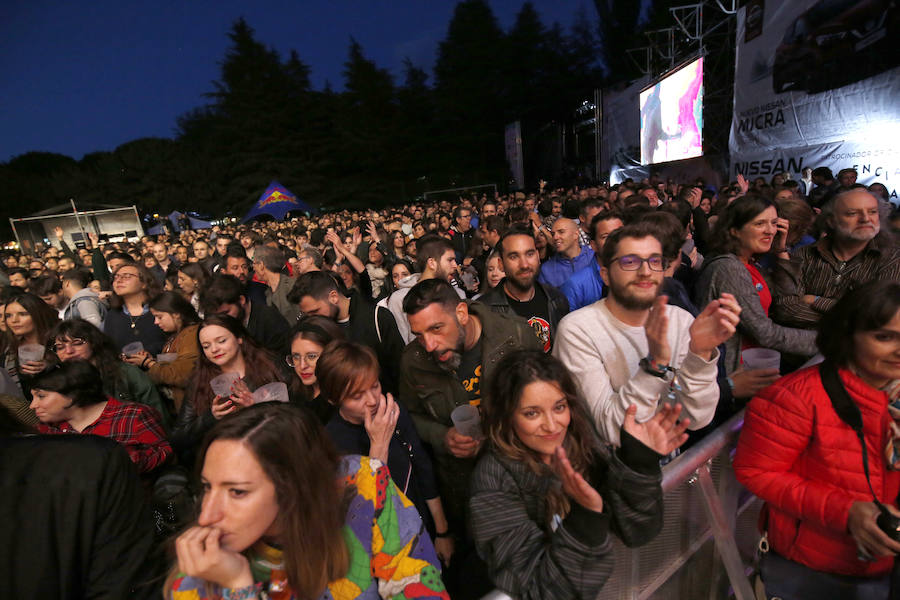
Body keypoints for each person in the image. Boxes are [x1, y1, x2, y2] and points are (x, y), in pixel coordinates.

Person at [166, 403, 449, 600]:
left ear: (292, 488)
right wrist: (238, 587)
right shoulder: (198, 570)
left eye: (237, 492)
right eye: (207, 486)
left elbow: (419, 585)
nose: (206, 516)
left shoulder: (363, 484)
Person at [471, 350, 689, 599]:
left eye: (559, 407)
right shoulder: (493, 479)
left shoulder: (580, 442)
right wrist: (584, 521)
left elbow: (638, 532)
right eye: (532, 413)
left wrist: (637, 462)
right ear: (507, 417)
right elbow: (539, 589)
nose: (552, 425)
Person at [734, 280, 900, 599]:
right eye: (884, 337)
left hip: (884, 566)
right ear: (848, 336)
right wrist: (847, 512)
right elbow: (756, 472)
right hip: (811, 570)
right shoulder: (795, 398)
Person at [400, 277, 542, 595]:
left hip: (523, 486)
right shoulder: (414, 361)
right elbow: (410, 418)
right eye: (419, 334)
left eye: (437, 328)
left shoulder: (515, 335)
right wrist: (442, 436)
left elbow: (548, 401)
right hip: (462, 493)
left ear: (462, 313)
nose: (429, 344)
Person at [554, 223, 739, 445]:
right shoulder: (578, 329)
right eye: (630, 262)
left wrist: (699, 355)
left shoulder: (679, 320)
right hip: (612, 471)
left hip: (668, 463)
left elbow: (696, 418)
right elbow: (610, 430)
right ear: (606, 275)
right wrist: (655, 365)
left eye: (654, 261)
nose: (645, 271)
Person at [0, 407, 160, 600]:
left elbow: (165, 448)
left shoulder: (124, 422)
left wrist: (135, 461)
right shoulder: (54, 436)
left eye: (42, 396)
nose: (33, 405)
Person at [317, 339, 453, 564]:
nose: (372, 401)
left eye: (374, 386)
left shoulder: (393, 410)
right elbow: (360, 516)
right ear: (334, 399)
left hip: (423, 527)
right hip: (387, 554)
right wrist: (378, 444)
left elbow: (421, 466)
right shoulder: (331, 445)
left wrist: (442, 531)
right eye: (356, 396)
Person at [694, 195, 818, 374]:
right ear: (735, 230)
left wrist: (781, 250)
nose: (770, 231)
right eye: (760, 224)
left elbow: (788, 298)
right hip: (735, 373)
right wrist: (823, 341)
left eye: (774, 223)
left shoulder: (749, 263)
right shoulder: (729, 268)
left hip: (753, 363)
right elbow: (764, 333)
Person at [773, 188, 899, 329]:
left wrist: (816, 300)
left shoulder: (892, 258)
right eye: (852, 213)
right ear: (832, 221)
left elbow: (877, 315)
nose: (865, 218)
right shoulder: (805, 254)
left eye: (872, 212)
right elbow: (787, 310)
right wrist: (848, 324)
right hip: (799, 345)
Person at [170, 314, 285, 468]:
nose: (214, 349)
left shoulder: (270, 368)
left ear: (239, 338)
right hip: (223, 462)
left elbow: (294, 420)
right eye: (206, 346)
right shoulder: (200, 381)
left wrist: (255, 406)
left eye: (221, 341)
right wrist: (211, 417)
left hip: (268, 458)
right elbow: (177, 438)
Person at [31, 360, 172, 474]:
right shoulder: (46, 429)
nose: (32, 405)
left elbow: (166, 454)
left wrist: (116, 462)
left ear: (72, 394)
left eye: (41, 396)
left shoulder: (133, 416)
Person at [289, 270, 405, 395]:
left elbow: (399, 368)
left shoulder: (377, 317)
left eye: (315, 311)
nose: (311, 318)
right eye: (306, 314)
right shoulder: (316, 328)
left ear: (333, 297)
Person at [48, 317, 171, 428]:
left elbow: (159, 417)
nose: (68, 351)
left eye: (77, 343)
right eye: (60, 347)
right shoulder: (59, 382)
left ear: (93, 342)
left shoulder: (126, 373)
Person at [480, 229, 569, 352]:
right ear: (501, 264)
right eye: (513, 256)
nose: (524, 265)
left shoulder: (557, 299)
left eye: (530, 254)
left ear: (538, 256)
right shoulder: (484, 310)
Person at [120, 291, 202, 412]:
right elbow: (175, 360)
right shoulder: (176, 335)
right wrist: (153, 360)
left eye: (159, 316)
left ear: (176, 314)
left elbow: (182, 374)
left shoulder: (191, 334)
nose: (156, 322)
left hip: (192, 408)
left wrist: (148, 363)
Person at [384, 235, 462, 344]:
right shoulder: (399, 299)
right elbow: (401, 345)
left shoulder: (458, 294)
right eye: (450, 260)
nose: (455, 265)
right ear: (432, 263)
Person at [200, 274, 291, 356]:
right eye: (216, 315)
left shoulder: (270, 321)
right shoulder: (212, 318)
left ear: (241, 300)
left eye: (226, 312)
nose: (221, 320)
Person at [560, 209, 624, 312]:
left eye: (619, 233)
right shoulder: (576, 285)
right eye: (606, 236)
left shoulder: (639, 275)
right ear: (593, 245)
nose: (614, 240)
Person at [286, 315, 345, 423]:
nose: (302, 366)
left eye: (311, 356)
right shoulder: (293, 393)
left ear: (333, 353)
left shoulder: (345, 398)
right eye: (296, 356)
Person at [2, 292, 60, 400]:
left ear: (37, 314)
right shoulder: (9, 348)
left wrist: (52, 365)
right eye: (8, 316)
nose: (14, 320)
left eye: (23, 314)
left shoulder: (59, 343)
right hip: (26, 412)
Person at [104, 262, 167, 356]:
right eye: (116, 277)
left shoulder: (163, 310)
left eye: (127, 276)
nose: (119, 280)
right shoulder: (112, 315)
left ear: (144, 283)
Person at [537, 218, 595, 289]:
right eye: (553, 234)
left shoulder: (594, 258)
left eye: (561, 232)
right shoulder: (546, 270)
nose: (555, 237)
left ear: (576, 234)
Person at [252, 245, 298, 323]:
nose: (253, 268)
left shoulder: (292, 287)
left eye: (254, 263)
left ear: (261, 265)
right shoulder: (267, 292)